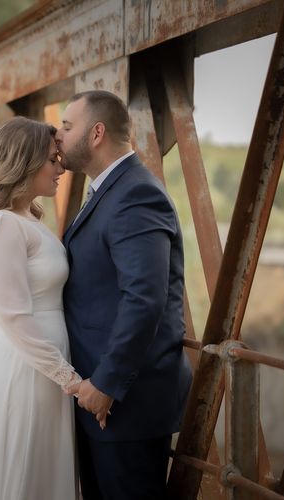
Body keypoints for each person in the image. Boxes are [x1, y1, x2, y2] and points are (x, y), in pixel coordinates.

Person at [58, 90, 193, 499]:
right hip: (99, 400)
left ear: (96, 133)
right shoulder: (108, 189)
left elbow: (144, 298)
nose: (58, 137)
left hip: (122, 403)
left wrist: (106, 384)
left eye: (67, 127)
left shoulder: (135, 194)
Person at [0, 116, 82, 500]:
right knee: (21, 464)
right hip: (28, 365)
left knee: (37, 466)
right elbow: (12, 315)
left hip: (44, 365)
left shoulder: (28, 219)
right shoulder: (4, 224)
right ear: (24, 161)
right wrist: (69, 378)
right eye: (52, 160)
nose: (61, 168)